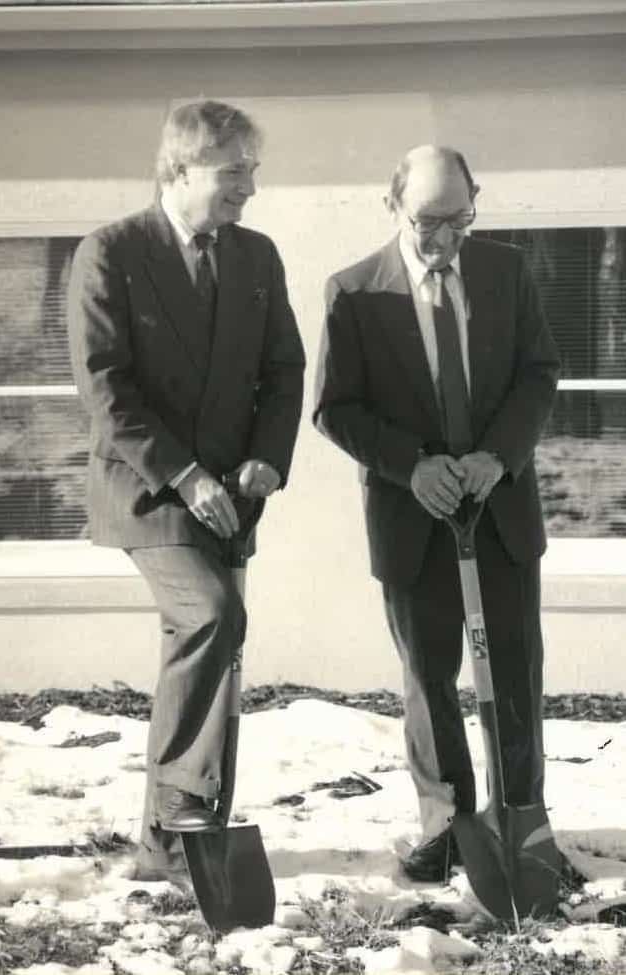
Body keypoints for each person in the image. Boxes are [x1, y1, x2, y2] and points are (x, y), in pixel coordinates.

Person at [68, 99, 305, 879]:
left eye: (252, 171)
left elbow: (282, 371)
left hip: (232, 493)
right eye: (234, 171)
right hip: (149, 490)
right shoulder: (108, 253)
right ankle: (185, 807)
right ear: (178, 169)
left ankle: (169, 848)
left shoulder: (257, 257)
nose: (249, 188)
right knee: (212, 614)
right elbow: (108, 393)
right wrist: (186, 474)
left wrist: (266, 458)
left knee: (208, 645)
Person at [313, 145, 559, 882]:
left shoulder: (506, 272)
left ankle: (521, 823)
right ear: (392, 207)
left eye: (461, 218)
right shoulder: (354, 291)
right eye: (428, 222)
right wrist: (410, 466)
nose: (446, 239)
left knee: (513, 672)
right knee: (429, 676)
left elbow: (536, 374)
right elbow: (335, 407)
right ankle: (448, 824)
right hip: (411, 519)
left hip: (500, 511)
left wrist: (497, 456)